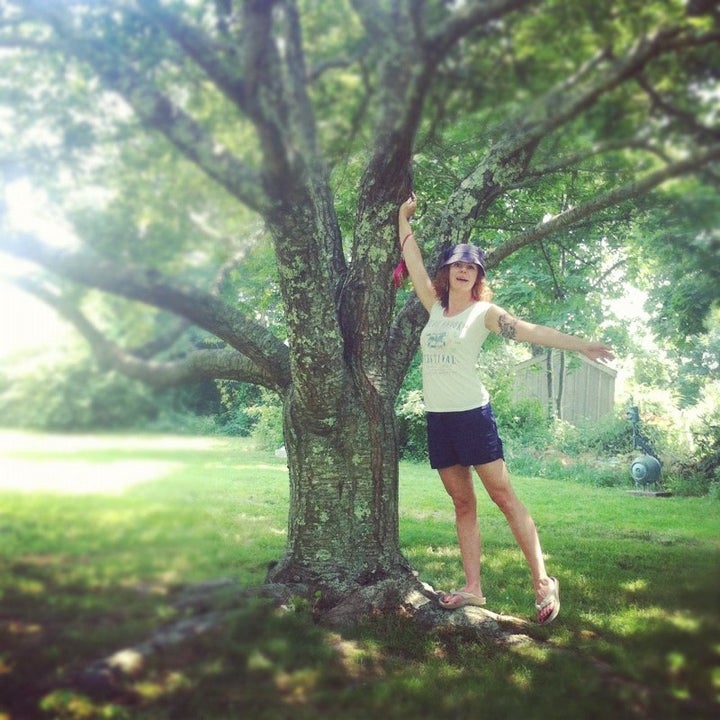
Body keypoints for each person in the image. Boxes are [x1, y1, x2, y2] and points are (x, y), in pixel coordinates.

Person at [397, 192, 614, 624]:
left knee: (503, 497)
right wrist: (403, 219)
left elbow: (530, 332)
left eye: (471, 266)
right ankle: (473, 588)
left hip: (473, 417)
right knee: (463, 504)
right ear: (447, 271)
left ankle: (543, 581)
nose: (463, 270)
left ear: (477, 276)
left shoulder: (484, 313)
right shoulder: (435, 309)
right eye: (457, 264)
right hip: (439, 420)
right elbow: (414, 263)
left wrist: (581, 345)